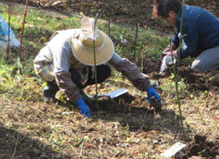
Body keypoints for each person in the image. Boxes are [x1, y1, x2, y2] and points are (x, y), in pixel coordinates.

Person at [34, 17, 162, 117]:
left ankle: (78, 90)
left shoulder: (99, 41)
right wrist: (78, 101)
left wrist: (147, 86)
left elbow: (122, 64)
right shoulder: (63, 44)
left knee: (103, 70)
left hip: (75, 67)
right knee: (73, 76)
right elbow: (61, 74)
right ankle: (50, 89)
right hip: (48, 65)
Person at [153, 0, 219, 73]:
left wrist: (175, 53)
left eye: (165, 18)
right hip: (209, 44)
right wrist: (170, 48)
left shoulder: (188, 20)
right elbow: (178, 36)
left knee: (197, 67)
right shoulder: (181, 15)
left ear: (171, 13)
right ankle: (216, 62)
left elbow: (191, 49)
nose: (166, 22)